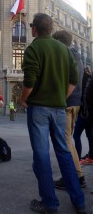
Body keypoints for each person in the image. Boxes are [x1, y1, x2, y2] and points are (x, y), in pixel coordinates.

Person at [21, 13, 86, 214]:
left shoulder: (33, 48)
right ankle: (79, 202)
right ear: (50, 29)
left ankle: (49, 203)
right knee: (64, 152)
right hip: (59, 109)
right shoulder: (65, 50)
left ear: (34, 29)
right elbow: (74, 80)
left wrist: (23, 98)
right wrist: (60, 97)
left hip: (39, 108)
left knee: (41, 155)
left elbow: (29, 80)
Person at [51, 30, 86, 189]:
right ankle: (78, 176)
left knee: (65, 141)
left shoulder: (64, 54)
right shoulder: (77, 55)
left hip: (66, 102)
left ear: (58, 42)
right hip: (76, 103)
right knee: (68, 140)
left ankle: (73, 177)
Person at [74, 66, 93, 165]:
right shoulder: (88, 78)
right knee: (90, 136)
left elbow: (86, 98)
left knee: (77, 135)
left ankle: (79, 158)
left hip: (85, 115)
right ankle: (90, 157)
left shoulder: (86, 79)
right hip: (86, 115)